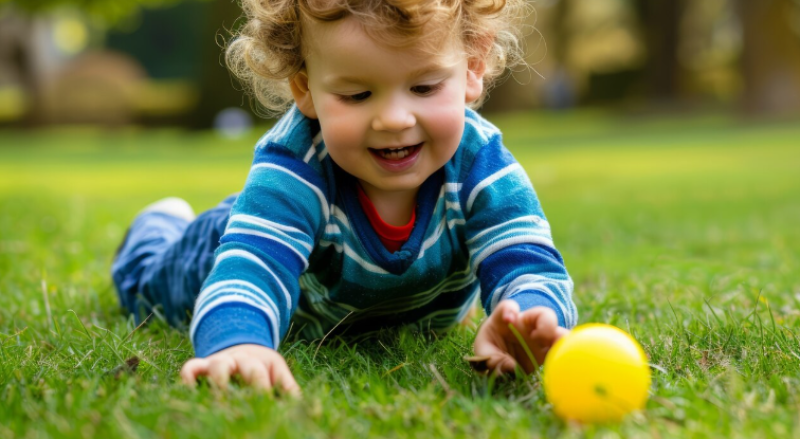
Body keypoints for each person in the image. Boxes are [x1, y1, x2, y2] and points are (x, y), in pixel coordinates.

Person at [112, 0, 578, 394]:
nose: (394, 118)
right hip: (226, 245)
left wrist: (529, 317)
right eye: (357, 94)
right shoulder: (295, 164)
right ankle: (157, 226)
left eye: (424, 87)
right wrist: (239, 341)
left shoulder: (482, 164)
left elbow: (527, 260)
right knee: (145, 282)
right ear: (305, 88)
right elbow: (252, 269)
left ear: (472, 68)